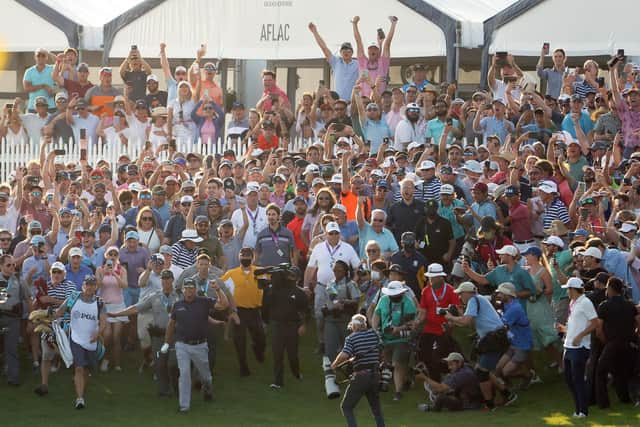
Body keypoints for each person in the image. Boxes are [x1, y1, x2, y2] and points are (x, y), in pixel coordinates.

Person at [108, 269, 180, 396]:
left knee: (173, 364)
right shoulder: (154, 296)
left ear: (172, 280)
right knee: (159, 364)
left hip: (175, 335)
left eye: (168, 278)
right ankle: (163, 391)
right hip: (159, 335)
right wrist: (117, 314)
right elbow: (136, 308)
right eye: (163, 278)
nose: (166, 281)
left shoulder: (180, 296)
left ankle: (175, 387)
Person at [445, 282, 517, 410]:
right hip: (498, 337)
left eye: (461, 294)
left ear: (468, 293)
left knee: (481, 372)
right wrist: (459, 316)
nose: (460, 297)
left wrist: (450, 317)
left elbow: (466, 321)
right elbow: (469, 322)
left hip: (493, 340)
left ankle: (489, 404)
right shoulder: (480, 298)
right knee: (482, 369)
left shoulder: (473, 300)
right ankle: (507, 393)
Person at [162, 278, 226, 413]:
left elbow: (223, 305)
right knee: (184, 374)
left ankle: (208, 390)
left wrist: (218, 289)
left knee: (206, 376)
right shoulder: (177, 305)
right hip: (182, 344)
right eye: (187, 288)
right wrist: (167, 343)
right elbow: (171, 325)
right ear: (183, 290)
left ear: (195, 289)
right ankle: (184, 406)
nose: (189, 291)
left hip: (200, 345)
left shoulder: (204, 301)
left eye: (192, 288)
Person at [54, 274, 107, 409]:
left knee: (86, 370)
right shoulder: (73, 297)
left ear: (96, 287)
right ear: (83, 285)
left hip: (91, 341)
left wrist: (98, 332)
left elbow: (103, 322)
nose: (89, 287)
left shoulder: (99, 302)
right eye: (87, 284)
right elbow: (60, 312)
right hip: (75, 338)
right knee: (78, 368)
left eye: (92, 285)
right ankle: (80, 398)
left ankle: (81, 388)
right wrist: (49, 317)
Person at [331, 313, 385, 427]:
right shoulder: (374, 334)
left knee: (346, 407)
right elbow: (382, 351)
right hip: (375, 375)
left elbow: (345, 355)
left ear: (354, 326)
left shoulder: (351, 338)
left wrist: (334, 364)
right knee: (376, 408)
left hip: (361, 377)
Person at [556, 277, 598, 418]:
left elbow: (595, 323)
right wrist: (563, 329)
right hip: (568, 346)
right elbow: (575, 324)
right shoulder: (573, 303)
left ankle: (583, 411)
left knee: (577, 378)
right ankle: (578, 408)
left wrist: (580, 336)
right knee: (569, 379)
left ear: (573, 289)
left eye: (568, 289)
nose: (567, 291)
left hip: (580, 347)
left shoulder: (585, 302)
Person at [261, 266, 308, 389]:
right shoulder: (276, 290)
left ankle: (296, 372)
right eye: (289, 275)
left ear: (298, 278)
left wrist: (303, 325)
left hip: (293, 326)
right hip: (277, 325)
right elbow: (267, 304)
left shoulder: (299, 293)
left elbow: (304, 310)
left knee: (292, 354)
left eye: (293, 276)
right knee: (277, 354)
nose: (290, 278)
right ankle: (278, 381)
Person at [220, 247, 265, 377]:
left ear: (253, 257)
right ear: (239, 257)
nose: (245, 258)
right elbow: (221, 287)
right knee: (239, 340)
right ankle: (243, 366)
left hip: (255, 311)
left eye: (248, 255)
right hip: (238, 311)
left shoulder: (260, 272)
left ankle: (258, 351)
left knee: (260, 337)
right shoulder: (231, 273)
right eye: (242, 255)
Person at [594, 276, 637, 409]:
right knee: (622, 371)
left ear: (610, 289)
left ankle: (603, 403)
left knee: (600, 372)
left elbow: (599, 329)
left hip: (612, 343)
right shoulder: (630, 304)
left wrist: (606, 342)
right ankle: (625, 398)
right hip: (628, 343)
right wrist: (634, 335)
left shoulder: (604, 306)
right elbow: (638, 323)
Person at [414, 263, 461, 381]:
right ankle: (435, 378)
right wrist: (417, 321)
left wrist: (451, 322)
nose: (431, 280)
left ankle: (441, 378)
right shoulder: (426, 291)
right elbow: (423, 310)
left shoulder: (451, 290)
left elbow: (457, 310)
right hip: (429, 328)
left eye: (433, 278)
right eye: (429, 277)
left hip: (443, 329)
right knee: (422, 353)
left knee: (437, 355)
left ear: (441, 277)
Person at [371, 281, 417, 400]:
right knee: (386, 364)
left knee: (397, 364)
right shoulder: (383, 300)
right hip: (385, 339)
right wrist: (375, 330)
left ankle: (398, 392)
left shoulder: (408, 303)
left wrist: (398, 329)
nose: (393, 296)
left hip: (402, 338)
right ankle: (402, 380)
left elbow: (412, 324)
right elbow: (376, 315)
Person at [494, 283, 534, 385]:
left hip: (522, 345)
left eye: (501, 293)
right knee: (498, 368)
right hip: (514, 342)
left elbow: (500, 324)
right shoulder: (508, 304)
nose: (498, 295)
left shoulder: (514, 309)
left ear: (507, 295)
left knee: (505, 372)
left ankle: (528, 375)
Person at [0, 254, 31, 386]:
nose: (12, 267)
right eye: (8, 265)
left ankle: (13, 378)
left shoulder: (19, 279)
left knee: (11, 348)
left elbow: (29, 299)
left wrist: (30, 318)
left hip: (13, 319)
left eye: (14, 264)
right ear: (1, 266)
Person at [416, 352, 483, 412]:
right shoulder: (465, 367)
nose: (449, 367)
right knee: (443, 392)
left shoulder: (462, 374)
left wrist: (424, 378)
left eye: (451, 364)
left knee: (441, 397)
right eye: (448, 364)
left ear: (459, 363)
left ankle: (430, 408)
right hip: (471, 399)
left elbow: (440, 388)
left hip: (468, 404)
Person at [308, 23, 359, 101]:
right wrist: (314, 32)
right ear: (340, 53)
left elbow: (359, 43)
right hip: (338, 102)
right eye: (343, 50)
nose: (346, 52)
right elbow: (324, 48)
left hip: (353, 102)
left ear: (352, 53)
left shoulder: (358, 63)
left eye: (348, 50)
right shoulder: (336, 62)